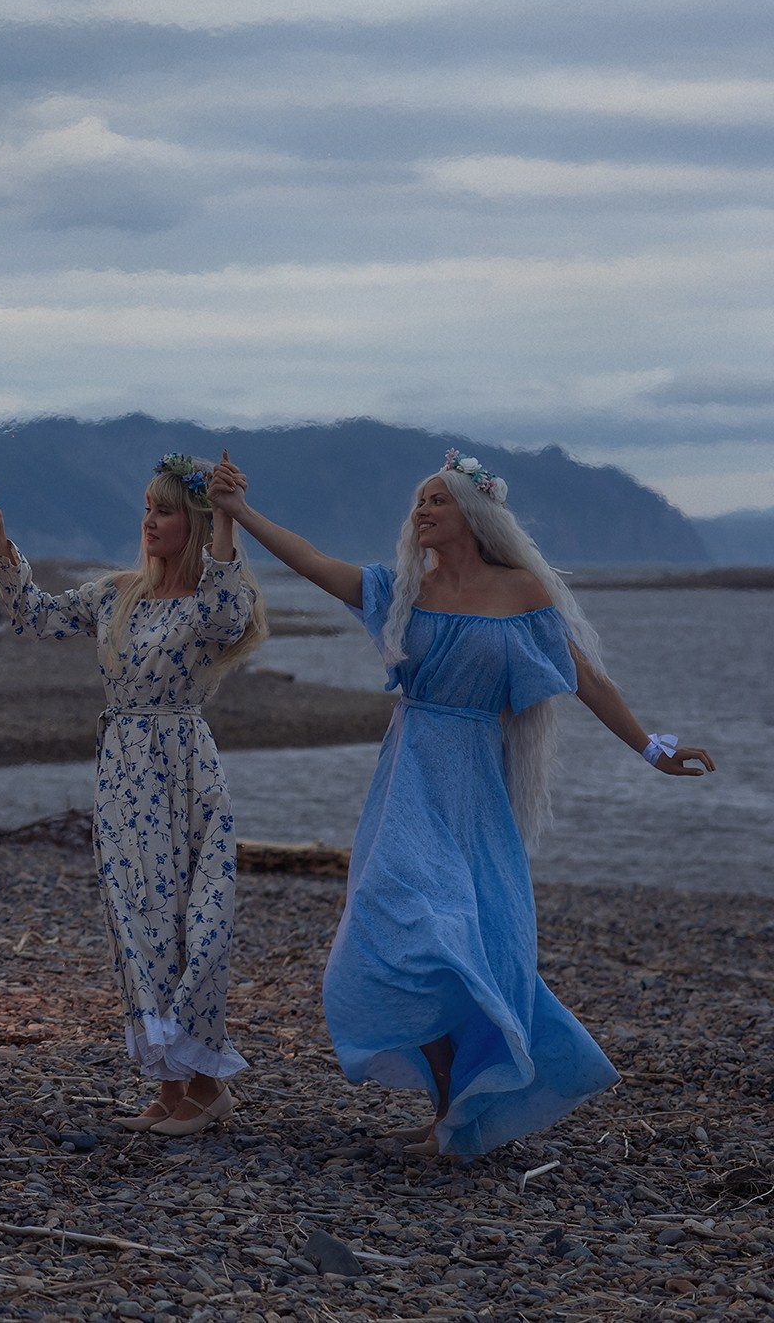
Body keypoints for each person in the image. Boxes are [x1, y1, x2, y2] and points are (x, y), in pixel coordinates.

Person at [206, 447, 715, 1157]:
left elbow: (586, 678)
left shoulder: (522, 591)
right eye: (419, 500)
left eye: (436, 499)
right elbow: (315, 562)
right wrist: (239, 512)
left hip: (475, 785)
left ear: (472, 513)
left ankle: (453, 1119)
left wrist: (653, 748)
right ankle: (448, 1110)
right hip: (407, 776)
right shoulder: (403, 590)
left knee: (466, 941)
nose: (422, 509)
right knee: (403, 927)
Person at [0, 457, 267, 1136]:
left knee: (198, 924)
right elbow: (33, 614)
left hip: (185, 772)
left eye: (164, 510)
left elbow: (229, 612)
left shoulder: (211, 600)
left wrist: (226, 514)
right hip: (122, 777)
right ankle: (174, 1084)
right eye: (146, 507)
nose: (149, 520)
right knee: (140, 927)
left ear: (190, 524)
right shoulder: (117, 593)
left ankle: (204, 1081)